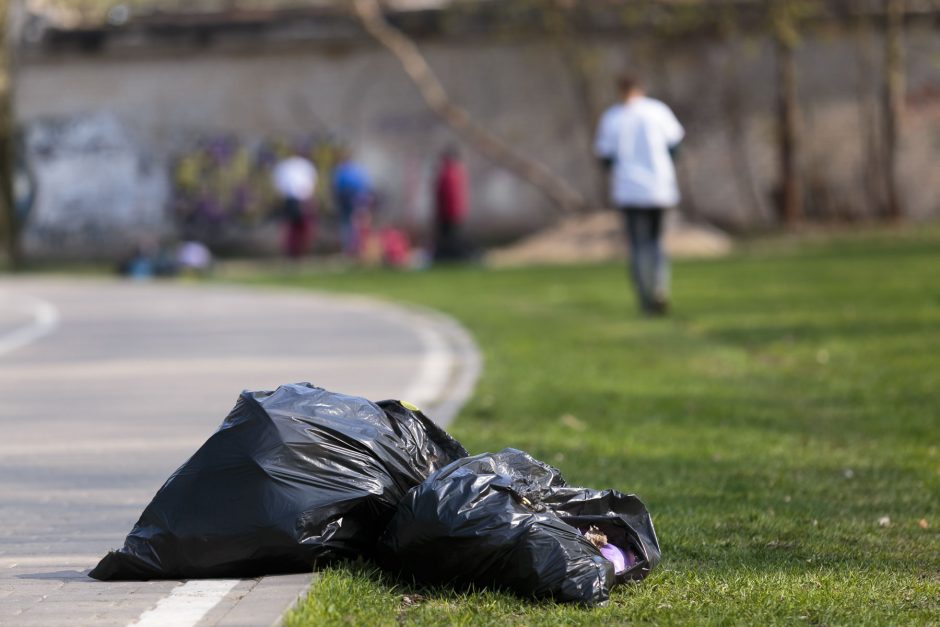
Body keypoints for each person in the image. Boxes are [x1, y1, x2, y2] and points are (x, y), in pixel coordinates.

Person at [595, 75, 684, 315]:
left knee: (637, 245)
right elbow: (675, 146)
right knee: (656, 241)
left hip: (629, 190)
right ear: (641, 89)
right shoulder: (658, 111)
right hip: (659, 187)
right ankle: (659, 287)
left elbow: (605, 157)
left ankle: (645, 297)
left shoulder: (613, 117)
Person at [271, 151, 317, 259]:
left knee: (299, 227)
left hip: (297, 199)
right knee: (295, 227)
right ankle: (294, 252)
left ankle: (297, 252)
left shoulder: (289, 166)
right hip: (297, 199)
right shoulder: (302, 165)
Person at [331, 149, 372, 256]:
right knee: (352, 224)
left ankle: (355, 248)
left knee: (351, 225)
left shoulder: (343, 171)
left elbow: (336, 188)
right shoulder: (354, 171)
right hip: (352, 200)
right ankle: (354, 248)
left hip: (351, 200)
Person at [433, 147, 469, 261]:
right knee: (454, 236)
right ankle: (453, 256)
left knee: (449, 237)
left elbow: (445, 195)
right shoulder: (458, 172)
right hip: (456, 212)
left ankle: (450, 256)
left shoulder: (447, 173)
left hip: (448, 212)